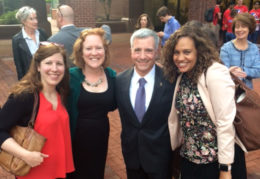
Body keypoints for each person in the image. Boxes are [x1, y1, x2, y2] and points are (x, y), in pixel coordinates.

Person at [163, 24, 247, 179]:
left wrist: (225, 168)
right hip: (190, 159)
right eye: (176, 52)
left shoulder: (214, 72)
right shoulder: (183, 75)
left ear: (198, 51)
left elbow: (225, 123)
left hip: (215, 163)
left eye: (187, 52)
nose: (180, 58)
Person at [0, 42, 74, 178]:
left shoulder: (61, 93)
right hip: (34, 172)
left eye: (59, 63)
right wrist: (25, 155)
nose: (54, 68)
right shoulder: (25, 96)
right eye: (48, 63)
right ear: (38, 66)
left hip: (59, 170)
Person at [116, 28, 175, 179]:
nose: (142, 56)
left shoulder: (171, 81)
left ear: (157, 51)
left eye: (148, 50)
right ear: (131, 51)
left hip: (161, 160)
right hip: (132, 158)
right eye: (137, 50)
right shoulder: (119, 81)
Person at [66, 28, 116, 179]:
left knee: (96, 172)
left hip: (101, 136)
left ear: (105, 51)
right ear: (81, 52)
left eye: (98, 48)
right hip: (74, 138)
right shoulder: (70, 77)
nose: (94, 53)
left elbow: (116, 103)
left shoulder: (111, 76)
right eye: (88, 48)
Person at [48, 5, 112, 67]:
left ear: (60, 18)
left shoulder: (53, 40)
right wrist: (105, 26)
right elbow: (107, 36)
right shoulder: (88, 32)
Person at [220, 12, 260, 89]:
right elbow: (222, 72)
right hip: (229, 90)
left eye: (243, 26)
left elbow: (258, 71)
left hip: (248, 93)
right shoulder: (226, 49)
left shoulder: (254, 49)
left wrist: (244, 71)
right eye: (237, 27)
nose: (240, 30)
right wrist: (228, 72)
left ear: (249, 28)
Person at [12, 6, 48, 80]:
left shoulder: (42, 33)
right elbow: (19, 65)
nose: (36, 21)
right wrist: (22, 83)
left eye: (36, 18)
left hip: (46, 76)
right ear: (23, 21)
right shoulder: (17, 40)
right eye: (31, 19)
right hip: (30, 79)